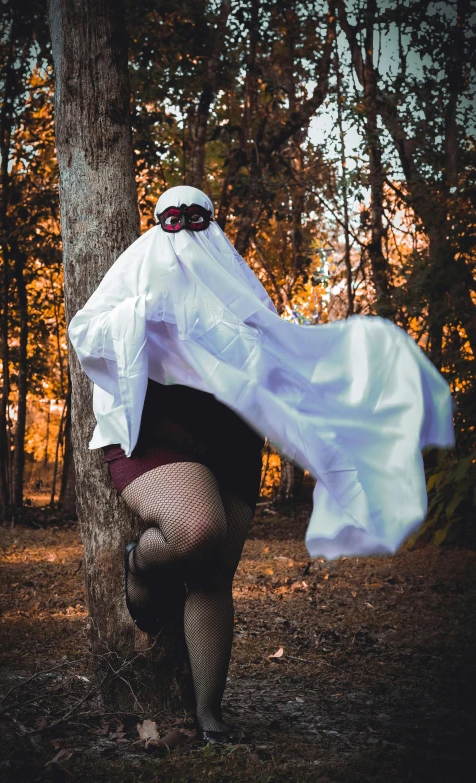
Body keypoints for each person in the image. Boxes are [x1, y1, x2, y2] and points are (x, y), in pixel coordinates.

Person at [69, 185, 454, 743]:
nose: (186, 235)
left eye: (197, 221)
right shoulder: (138, 272)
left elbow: (272, 355)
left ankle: (208, 713)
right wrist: (142, 313)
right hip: (158, 437)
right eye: (173, 222)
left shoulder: (236, 281)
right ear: (158, 225)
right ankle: (141, 564)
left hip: (233, 441)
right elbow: (87, 332)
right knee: (197, 528)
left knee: (214, 573)